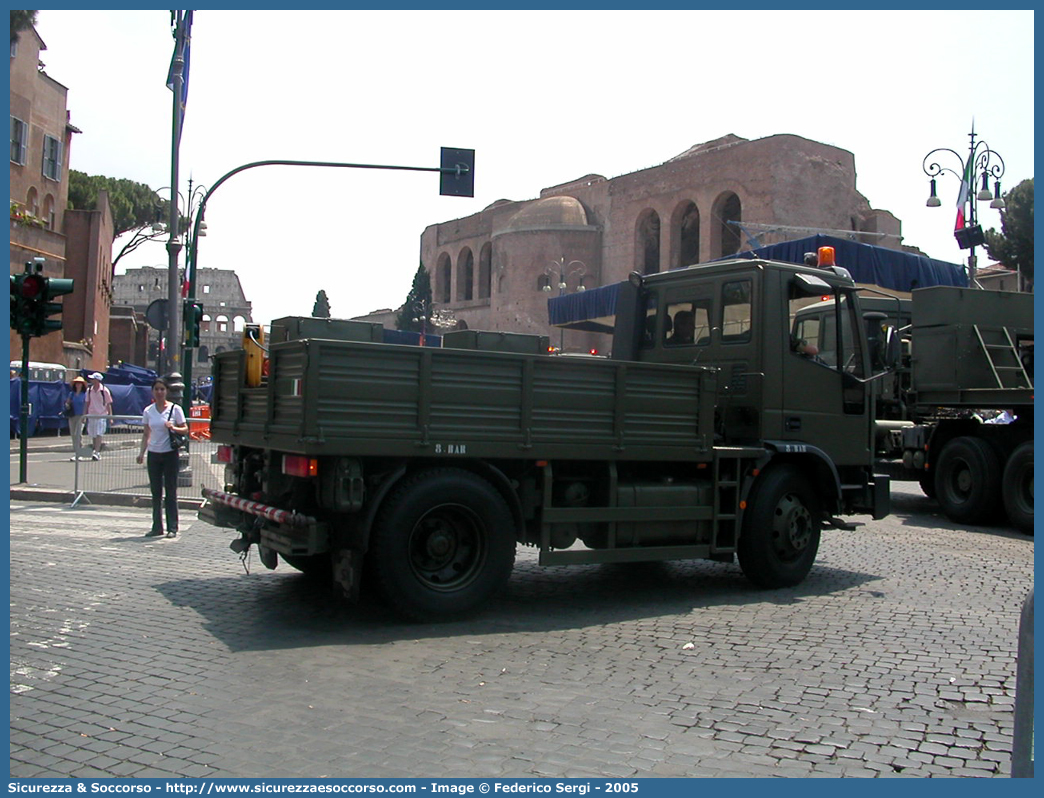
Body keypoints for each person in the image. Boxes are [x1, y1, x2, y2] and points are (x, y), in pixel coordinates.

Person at [136, 378, 188, 538]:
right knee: (155, 492)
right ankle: (157, 526)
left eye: (162, 389)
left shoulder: (175, 409)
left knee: (171, 491)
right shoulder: (148, 411)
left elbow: (185, 429)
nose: (159, 392)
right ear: (152, 392)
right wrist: (141, 453)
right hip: (154, 454)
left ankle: (172, 527)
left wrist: (174, 427)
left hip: (170, 454)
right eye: (156, 389)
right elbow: (146, 434)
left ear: (166, 392)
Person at [83, 372, 113, 460]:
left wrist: (110, 417)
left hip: (101, 414)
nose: (91, 380)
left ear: (98, 380)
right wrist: (84, 415)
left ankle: (97, 451)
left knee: (99, 433)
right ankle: (94, 450)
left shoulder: (104, 390)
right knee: (93, 434)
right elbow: (87, 403)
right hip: (92, 414)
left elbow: (108, 404)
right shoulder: (89, 390)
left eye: (93, 379)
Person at [65, 376, 88, 461]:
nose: (78, 385)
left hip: (81, 416)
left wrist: (85, 416)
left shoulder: (85, 395)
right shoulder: (71, 394)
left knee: (78, 434)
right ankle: (76, 453)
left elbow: (86, 405)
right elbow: (67, 403)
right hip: (72, 416)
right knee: (73, 435)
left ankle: (80, 453)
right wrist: (67, 405)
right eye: (77, 383)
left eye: (80, 383)